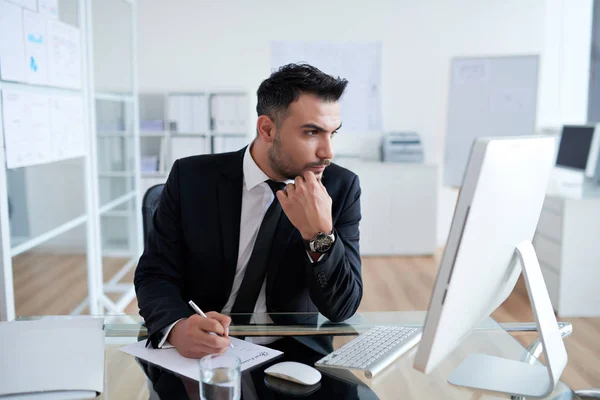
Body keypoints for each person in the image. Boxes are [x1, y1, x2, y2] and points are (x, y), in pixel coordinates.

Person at [134, 63, 363, 359]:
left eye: (333, 133)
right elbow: (154, 273)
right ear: (267, 128)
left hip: (296, 352)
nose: (327, 152)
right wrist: (177, 327)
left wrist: (319, 234)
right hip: (201, 347)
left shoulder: (339, 187)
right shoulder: (191, 178)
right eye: (311, 133)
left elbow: (341, 308)